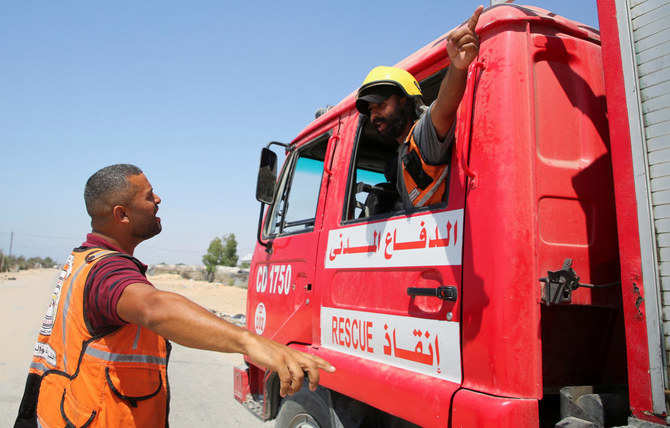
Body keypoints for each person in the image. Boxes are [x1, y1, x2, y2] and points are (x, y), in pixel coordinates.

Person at [14, 164, 335, 428]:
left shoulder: (84, 259)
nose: (159, 199)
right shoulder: (106, 273)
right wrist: (251, 342)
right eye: (148, 195)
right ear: (122, 214)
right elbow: (154, 307)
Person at [355, 6, 483, 209]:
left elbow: (443, 109)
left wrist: (458, 68)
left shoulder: (421, 137)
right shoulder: (401, 154)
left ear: (404, 101)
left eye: (380, 104)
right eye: (370, 110)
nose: (375, 115)